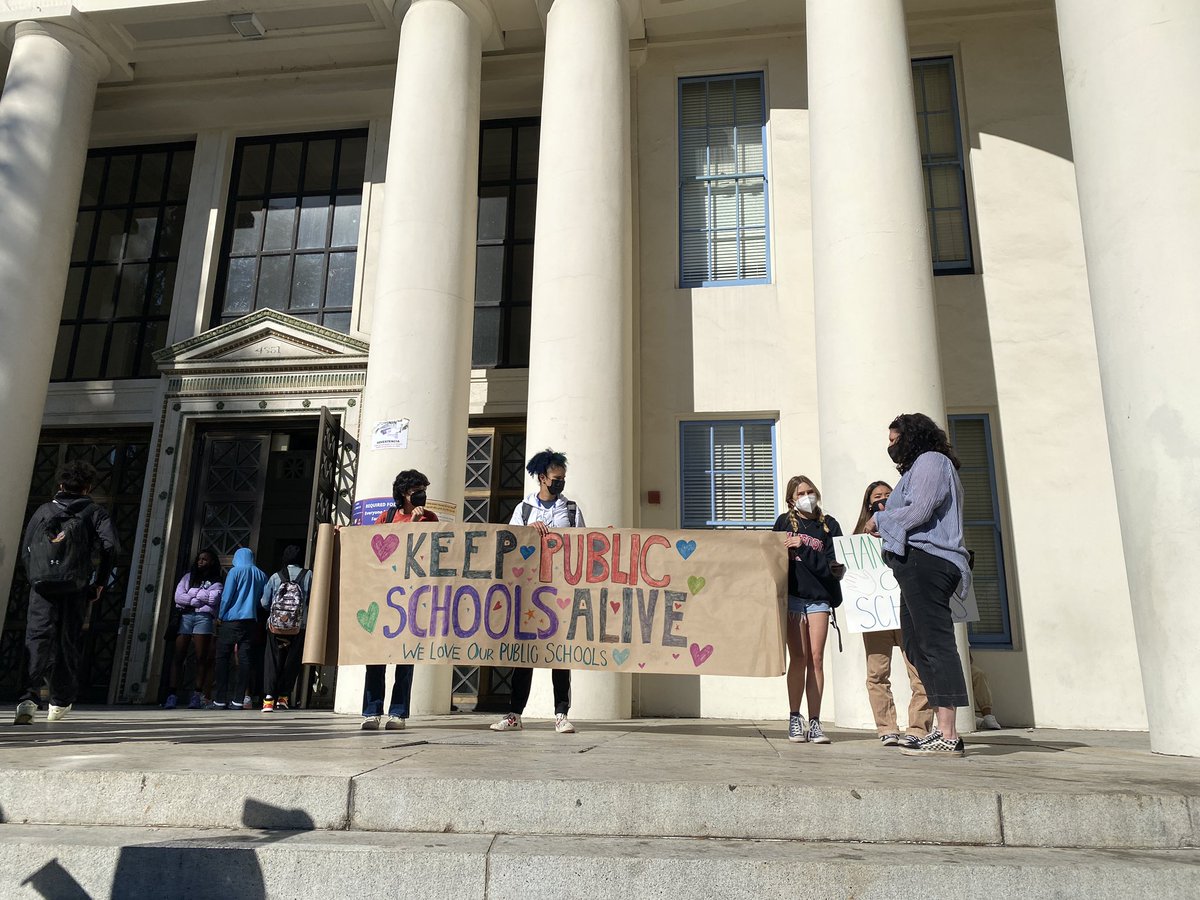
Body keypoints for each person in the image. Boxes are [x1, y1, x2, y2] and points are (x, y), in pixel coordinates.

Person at [866, 412, 972, 759]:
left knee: (935, 642)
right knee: (914, 643)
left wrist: (880, 519)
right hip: (914, 564)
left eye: (895, 439)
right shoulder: (917, 468)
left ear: (912, 437)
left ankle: (949, 732)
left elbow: (920, 509)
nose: (891, 446)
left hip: (929, 561)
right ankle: (942, 730)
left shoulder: (931, 460)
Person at [14, 460, 120, 725]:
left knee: (36, 638)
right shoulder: (95, 513)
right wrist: (99, 582)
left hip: (42, 588)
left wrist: (36, 577)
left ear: (61, 485)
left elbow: (26, 548)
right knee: (68, 640)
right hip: (75, 587)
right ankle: (58, 702)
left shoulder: (43, 510)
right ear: (88, 487)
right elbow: (111, 548)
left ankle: (27, 699)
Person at [491, 449, 582, 735]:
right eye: (556, 479)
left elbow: (582, 544)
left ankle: (561, 713)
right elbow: (509, 544)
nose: (560, 483)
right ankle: (515, 713)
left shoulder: (571, 509)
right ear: (542, 478)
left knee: (560, 654)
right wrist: (528, 531)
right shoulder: (524, 509)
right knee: (524, 653)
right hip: (529, 590)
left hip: (559, 589)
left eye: (563, 479)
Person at [853, 481, 932, 748]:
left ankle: (919, 727)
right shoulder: (858, 541)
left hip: (907, 610)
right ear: (869, 504)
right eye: (877, 497)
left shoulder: (911, 530)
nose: (883, 499)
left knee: (919, 672)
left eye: (888, 495)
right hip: (875, 616)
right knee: (877, 673)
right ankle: (886, 727)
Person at [361, 470, 437, 731]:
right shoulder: (387, 517)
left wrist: (419, 525)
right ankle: (372, 711)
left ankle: (398, 713)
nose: (422, 494)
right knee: (376, 655)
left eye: (424, 489)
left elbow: (431, 553)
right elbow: (373, 546)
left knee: (406, 657)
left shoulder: (430, 518)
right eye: (417, 489)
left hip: (413, 596)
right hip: (384, 593)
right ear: (405, 493)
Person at [772, 475, 843, 745]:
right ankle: (794, 716)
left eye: (810, 491)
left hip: (819, 599)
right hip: (792, 598)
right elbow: (771, 558)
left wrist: (804, 547)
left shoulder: (829, 526)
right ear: (791, 499)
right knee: (798, 658)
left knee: (816, 659)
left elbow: (832, 568)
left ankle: (815, 721)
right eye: (801, 492)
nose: (807, 496)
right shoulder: (782, 523)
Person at [165, 548, 223, 710]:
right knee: (178, 656)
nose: (200, 562)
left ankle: (197, 694)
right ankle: (172, 694)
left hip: (203, 619)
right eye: (199, 559)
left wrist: (192, 594)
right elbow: (178, 597)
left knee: (201, 657)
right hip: (185, 617)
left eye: (204, 559)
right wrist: (197, 598)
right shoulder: (187, 577)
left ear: (211, 562)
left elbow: (214, 599)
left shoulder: (217, 581)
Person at [210, 547, 267, 709]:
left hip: (231, 621)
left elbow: (227, 596)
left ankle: (220, 699)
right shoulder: (261, 575)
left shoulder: (235, 572)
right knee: (245, 660)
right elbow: (263, 600)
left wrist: (220, 615)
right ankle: (238, 699)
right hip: (250, 621)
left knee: (222, 659)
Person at [260, 544, 313, 713]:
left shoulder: (276, 576)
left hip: (275, 627)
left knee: (272, 661)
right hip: (299, 626)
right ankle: (283, 698)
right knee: (292, 661)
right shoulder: (308, 575)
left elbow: (264, 602)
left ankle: (268, 699)